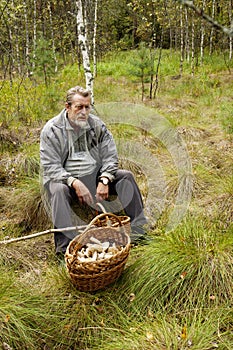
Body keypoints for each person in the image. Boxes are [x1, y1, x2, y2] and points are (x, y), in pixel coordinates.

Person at [40, 85, 148, 255]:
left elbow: (110, 156)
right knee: (59, 191)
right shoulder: (52, 130)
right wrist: (74, 182)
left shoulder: (97, 125)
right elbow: (50, 166)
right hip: (64, 180)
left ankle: (139, 232)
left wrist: (105, 179)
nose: (84, 112)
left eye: (87, 107)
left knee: (126, 177)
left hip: (94, 175)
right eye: (79, 107)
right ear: (67, 107)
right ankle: (64, 250)